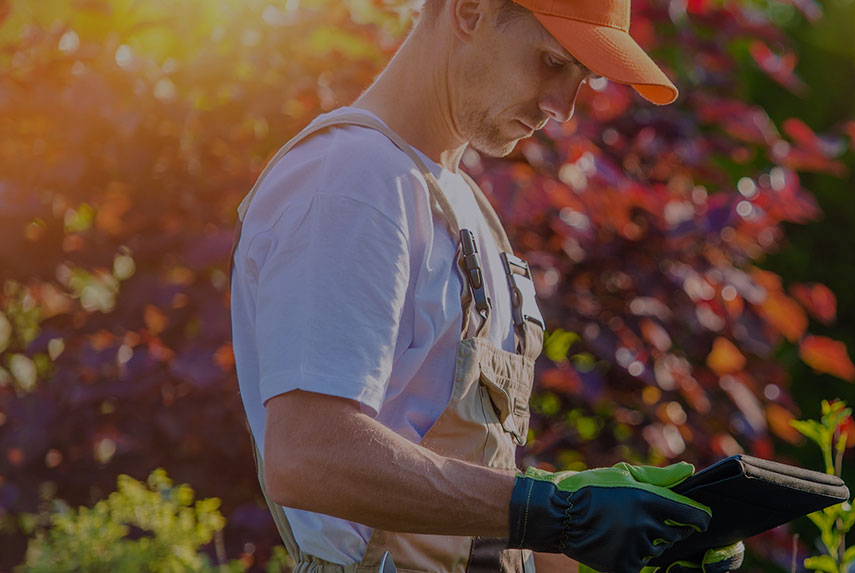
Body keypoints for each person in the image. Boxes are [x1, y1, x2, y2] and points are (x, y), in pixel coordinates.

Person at [228, 0, 741, 571]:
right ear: (470, 11)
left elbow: (474, 532)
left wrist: (620, 538)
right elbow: (309, 455)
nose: (562, 108)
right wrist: (552, 510)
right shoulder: (353, 183)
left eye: (583, 79)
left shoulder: (464, 205)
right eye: (551, 61)